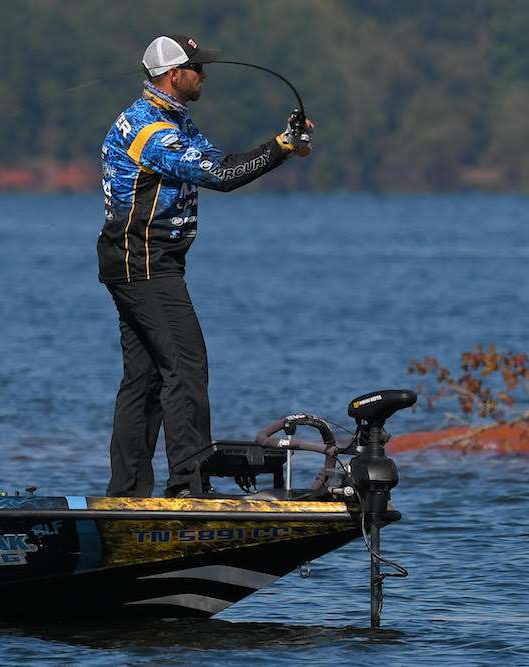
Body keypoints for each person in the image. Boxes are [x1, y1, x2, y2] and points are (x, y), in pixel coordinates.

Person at [98, 34, 313, 497]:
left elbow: (222, 162)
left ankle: (127, 495)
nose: (204, 74)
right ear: (174, 75)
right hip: (144, 261)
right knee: (186, 364)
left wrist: (283, 146)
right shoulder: (151, 131)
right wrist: (280, 145)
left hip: (139, 260)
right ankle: (188, 484)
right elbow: (220, 177)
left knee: (146, 378)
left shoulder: (175, 119)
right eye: (197, 68)